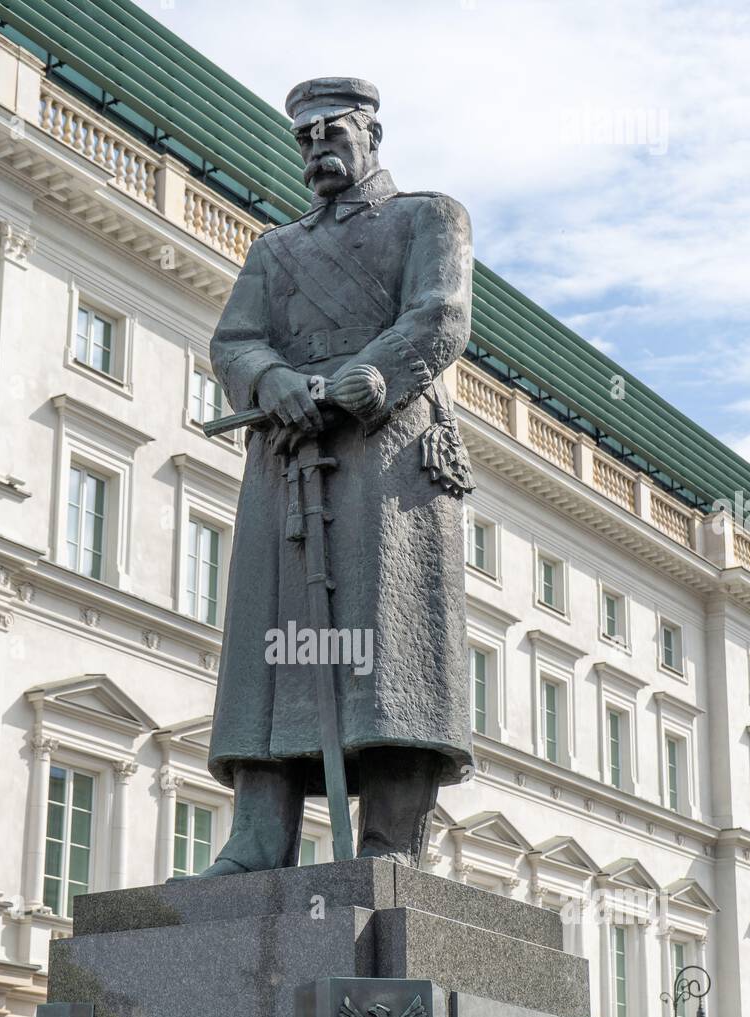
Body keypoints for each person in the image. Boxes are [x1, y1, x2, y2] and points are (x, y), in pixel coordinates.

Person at [203, 76, 474, 874]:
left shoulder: (430, 216)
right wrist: (271, 381)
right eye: (305, 138)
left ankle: (394, 846)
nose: (317, 149)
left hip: (385, 455)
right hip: (288, 455)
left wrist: (375, 375)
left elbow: (439, 314)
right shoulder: (273, 248)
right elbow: (235, 341)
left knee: (393, 648)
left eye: (332, 132)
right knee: (269, 644)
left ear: (371, 136)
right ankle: (257, 843)